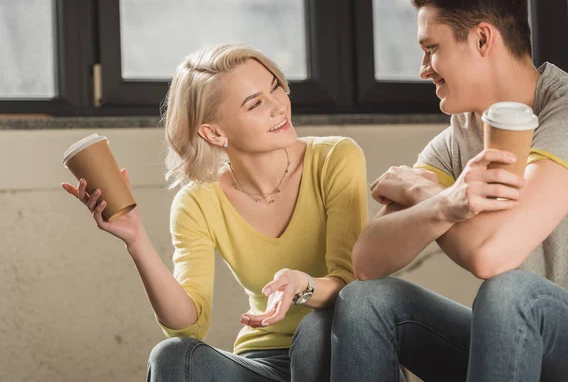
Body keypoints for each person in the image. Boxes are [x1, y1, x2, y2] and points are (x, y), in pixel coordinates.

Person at [330, 0, 568, 381]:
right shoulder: (456, 140)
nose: (423, 68)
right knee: (366, 301)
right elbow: (368, 261)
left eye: (431, 48)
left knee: (509, 292)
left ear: (482, 38)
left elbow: (491, 255)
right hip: (514, 345)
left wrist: (425, 193)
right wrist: (446, 204)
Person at [62, 43, 368, 381]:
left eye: (275, 87)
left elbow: (353, 288)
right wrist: (136, 239)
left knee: (315, 332)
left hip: (340, 350)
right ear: (214, 132)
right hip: (263, 360)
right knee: (173, 356)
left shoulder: (335, 158)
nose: (278, 106)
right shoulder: (198, 202)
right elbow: (190, 326)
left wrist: (302, 285)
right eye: (255, 103)